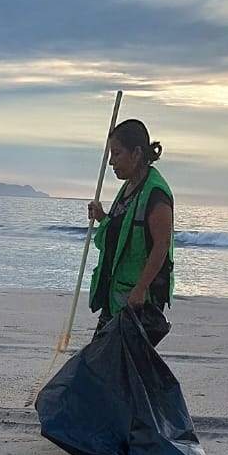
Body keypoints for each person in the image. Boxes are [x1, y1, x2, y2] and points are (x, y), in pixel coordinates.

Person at [87, 120, 174, 346]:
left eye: (116, 154)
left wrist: (140, 288)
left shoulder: (155, 193)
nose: (111, 162)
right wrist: (103, 218)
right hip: (117, 294)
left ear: (136, 153)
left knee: (122, 363)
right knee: (105, 359)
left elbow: (162, 245)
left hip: (139, 300)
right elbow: (122, 232)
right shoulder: (128, 187)